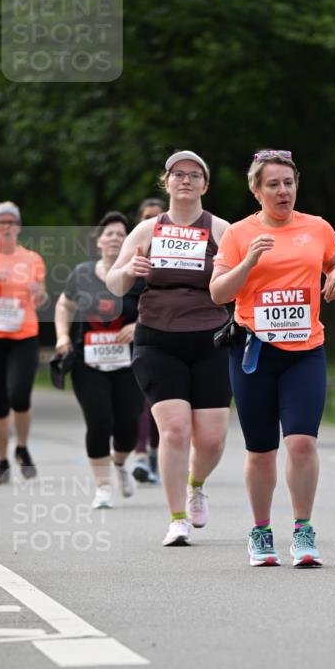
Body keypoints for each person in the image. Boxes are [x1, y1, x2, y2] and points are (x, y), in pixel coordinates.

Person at [210, 149, 335, 567]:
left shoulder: (318, 227)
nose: (282, 191)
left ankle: (303, 531)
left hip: (306, 351)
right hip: (254, 352)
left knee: (303, 442)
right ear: (256, 190)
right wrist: (250, 260)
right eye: (272, 184)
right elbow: (218, 293)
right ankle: (260, 532)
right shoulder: (237, 234)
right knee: (261, 449)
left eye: (288, 183)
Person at [107, 151, 231, 546]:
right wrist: (128, 271)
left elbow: (243, 280)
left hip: (211, 339)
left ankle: (196, 483)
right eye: (178, 174)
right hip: (157, 339)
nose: (186, 180)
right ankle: (177, 518)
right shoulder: (146, 230)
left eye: (195, 175)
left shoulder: (222, 230)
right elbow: (113, 284)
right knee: (175, 430)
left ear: (205, 185)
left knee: (211, 440)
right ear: (167, 182)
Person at [54, 212, 143, 509]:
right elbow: (64, 305)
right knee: (99, 422)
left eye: (121, 234)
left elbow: (155, 308)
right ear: (98, 241)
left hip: (129, 362)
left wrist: (137, 325)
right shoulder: (82, 273)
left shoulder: (139, 274)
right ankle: (103, 487)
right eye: (109, 233)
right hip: (87, 362)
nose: (115, 238)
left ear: (128, 240)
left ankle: (119, 464)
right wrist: (62, 337)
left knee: (128, 427)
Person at [0, 201, 47, 484]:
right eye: (0, 222)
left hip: (23, 336)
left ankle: (23, 448)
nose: (6, 227)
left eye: (11, 222)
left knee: (19, 395)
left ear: (19, 227)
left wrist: (40, 295)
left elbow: (41, 299)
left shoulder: (32, 259)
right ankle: (3, 461)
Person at [131, 198, 166, 485]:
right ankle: (141, 455)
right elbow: (116, 298)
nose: (154, 223)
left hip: (166, 337)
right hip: (133, 340)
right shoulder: (133, 257)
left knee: (158, 403)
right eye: (147, 218)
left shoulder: (180, 257)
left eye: (158, 218)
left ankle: (155, 452)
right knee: (140, 404)